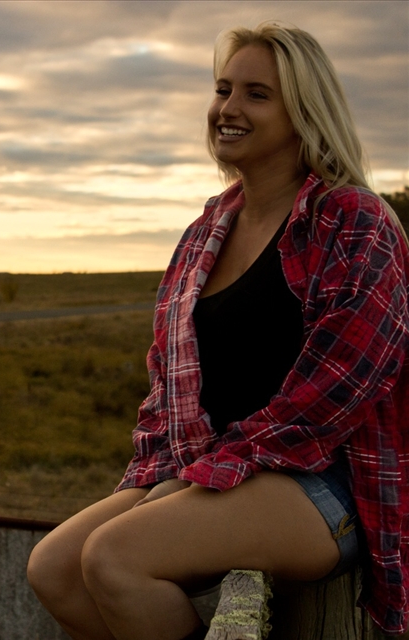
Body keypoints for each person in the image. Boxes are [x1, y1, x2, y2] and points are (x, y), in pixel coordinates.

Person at [26, 21, 408, 640]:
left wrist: (207, 475)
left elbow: (337, 392)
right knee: (55, 569)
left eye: (257, 94)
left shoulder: (352, 222)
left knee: (116, 558)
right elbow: (166, 387)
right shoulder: (207, 232)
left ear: (303, 112)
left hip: (325, 481)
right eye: (223, 89)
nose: (227, 109)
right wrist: (164, 475)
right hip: (218, 467)